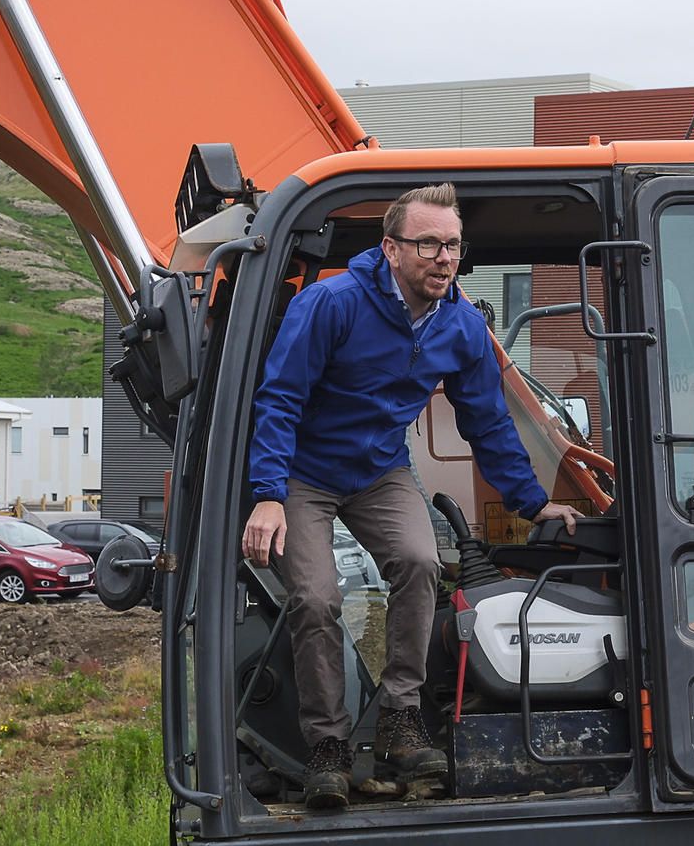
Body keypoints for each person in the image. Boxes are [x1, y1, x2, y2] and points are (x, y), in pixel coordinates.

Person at [241, 183, 579, 810]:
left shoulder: (461, 325)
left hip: (379, 470)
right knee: (316, 599)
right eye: (428, 244)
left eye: (451, 245)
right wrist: (267, 495)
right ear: (391, 249)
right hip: (303, 474)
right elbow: (279, 398)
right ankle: (327, 747)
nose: (443, 258)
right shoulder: (331, 303)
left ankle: (400, 720)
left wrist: (533, 503)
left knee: (422, 564)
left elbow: (488, 422)